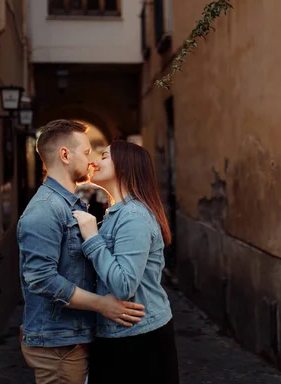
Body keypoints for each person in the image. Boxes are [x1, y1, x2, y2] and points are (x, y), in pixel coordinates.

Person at [18, 120, 145, 384]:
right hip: (58, 344)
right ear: (65, 155)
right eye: (86, 153)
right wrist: (103, 305)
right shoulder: (45, 209)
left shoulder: (69, 204)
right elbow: (41, 278)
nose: (92, 161)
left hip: (71, 338)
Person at [72, 140, 179, 384]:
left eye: (105, 156)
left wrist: (92, 237)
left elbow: (123, 285)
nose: (94, 162)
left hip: (139, 339)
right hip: (121, 333)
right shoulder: (116, 213)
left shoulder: (134, 217)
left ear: (125, 165)